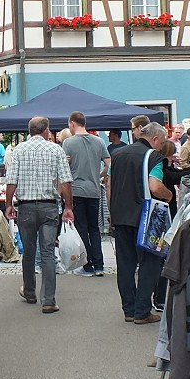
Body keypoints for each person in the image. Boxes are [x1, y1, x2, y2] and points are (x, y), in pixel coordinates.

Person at [4, 116, 73, 314]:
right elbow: (66, 181)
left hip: (25, 207)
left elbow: (11, 180)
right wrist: (68, 206)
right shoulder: (56, 150)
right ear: (46, 131)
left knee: (29, 250)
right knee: (48, 252)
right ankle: (49, 300)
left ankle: (30, 291)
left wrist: (9, 204)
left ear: (30, 131)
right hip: (49, 207)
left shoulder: (19, 150)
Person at [108, 121, 173, 324]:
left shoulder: (117, 155)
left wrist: (112, 211)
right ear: (154, 139)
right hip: (145, 216)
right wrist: (169, 195)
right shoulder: (153, 157)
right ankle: (142, 311)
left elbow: (109, 186)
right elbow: (154, 186)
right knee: (150, 263)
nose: (161, 147)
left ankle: (129, 309)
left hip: (121, 215)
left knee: (125, 264)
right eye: (161, 142)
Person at [63, 111, 110, 277]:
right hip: (93, 190)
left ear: (73, 124)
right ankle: (99, 265)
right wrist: (100, 176)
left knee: (81, 228)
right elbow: (109, 164)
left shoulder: (68, 143)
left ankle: (87, 265)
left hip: (76, 190)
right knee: (94, 229)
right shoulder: (99, 141)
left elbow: (64, 168)